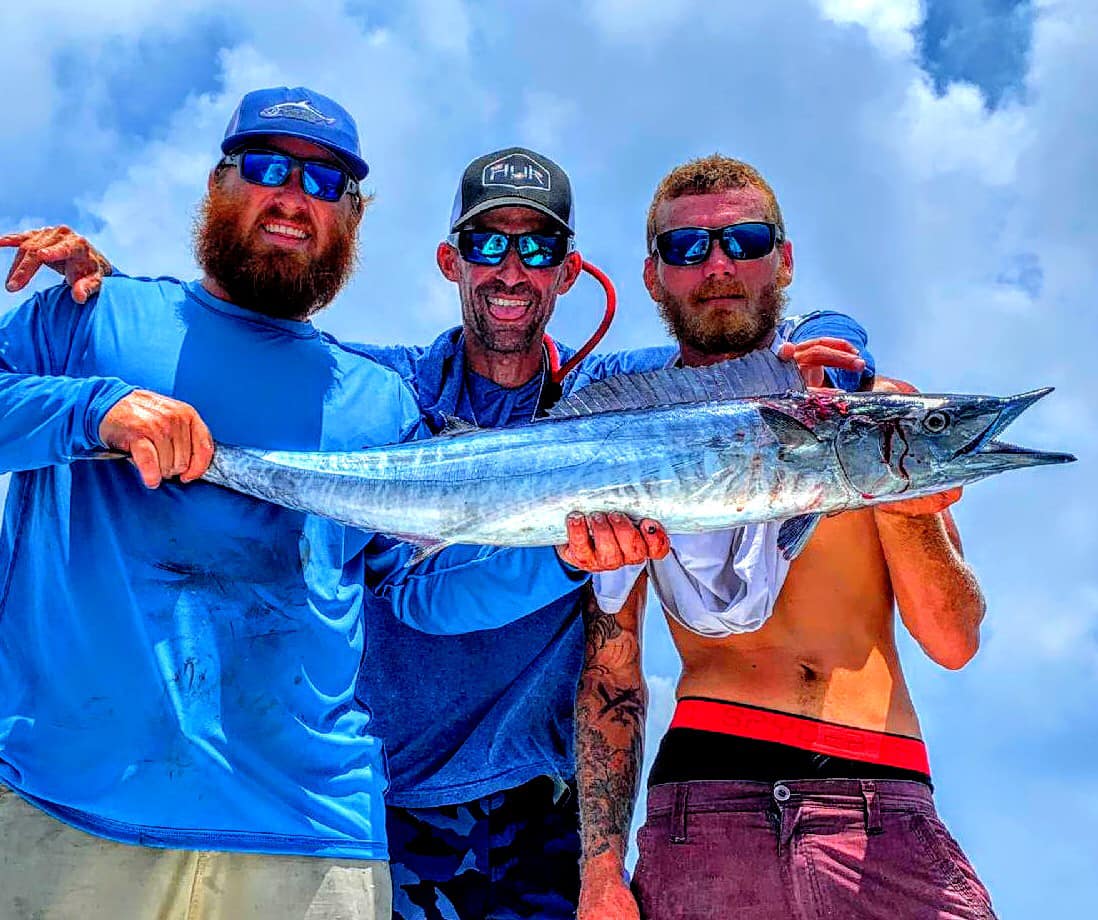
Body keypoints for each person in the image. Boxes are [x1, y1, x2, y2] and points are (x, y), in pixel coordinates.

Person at [6, 149, 871, 920]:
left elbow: (750, 348)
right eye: (489, 244)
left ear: (570, 273)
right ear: (450, 260)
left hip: (541, 807)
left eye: (538, 249)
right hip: (393, 801)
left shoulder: (615, 399)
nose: (512, 268)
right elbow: (260, 349)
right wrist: (107, 300)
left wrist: (839, 343)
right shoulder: (382, 389)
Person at [575, 155, 997, 919]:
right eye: (687, 248)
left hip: (879, 804)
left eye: (745, 239)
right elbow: (613, 671)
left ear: (785, 257)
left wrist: (905, 502)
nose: (718, 265)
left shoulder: (867, 409)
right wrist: (600, 869)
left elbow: (954, 638)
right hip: (703, 811)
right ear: (652, 276)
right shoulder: (628, 437)